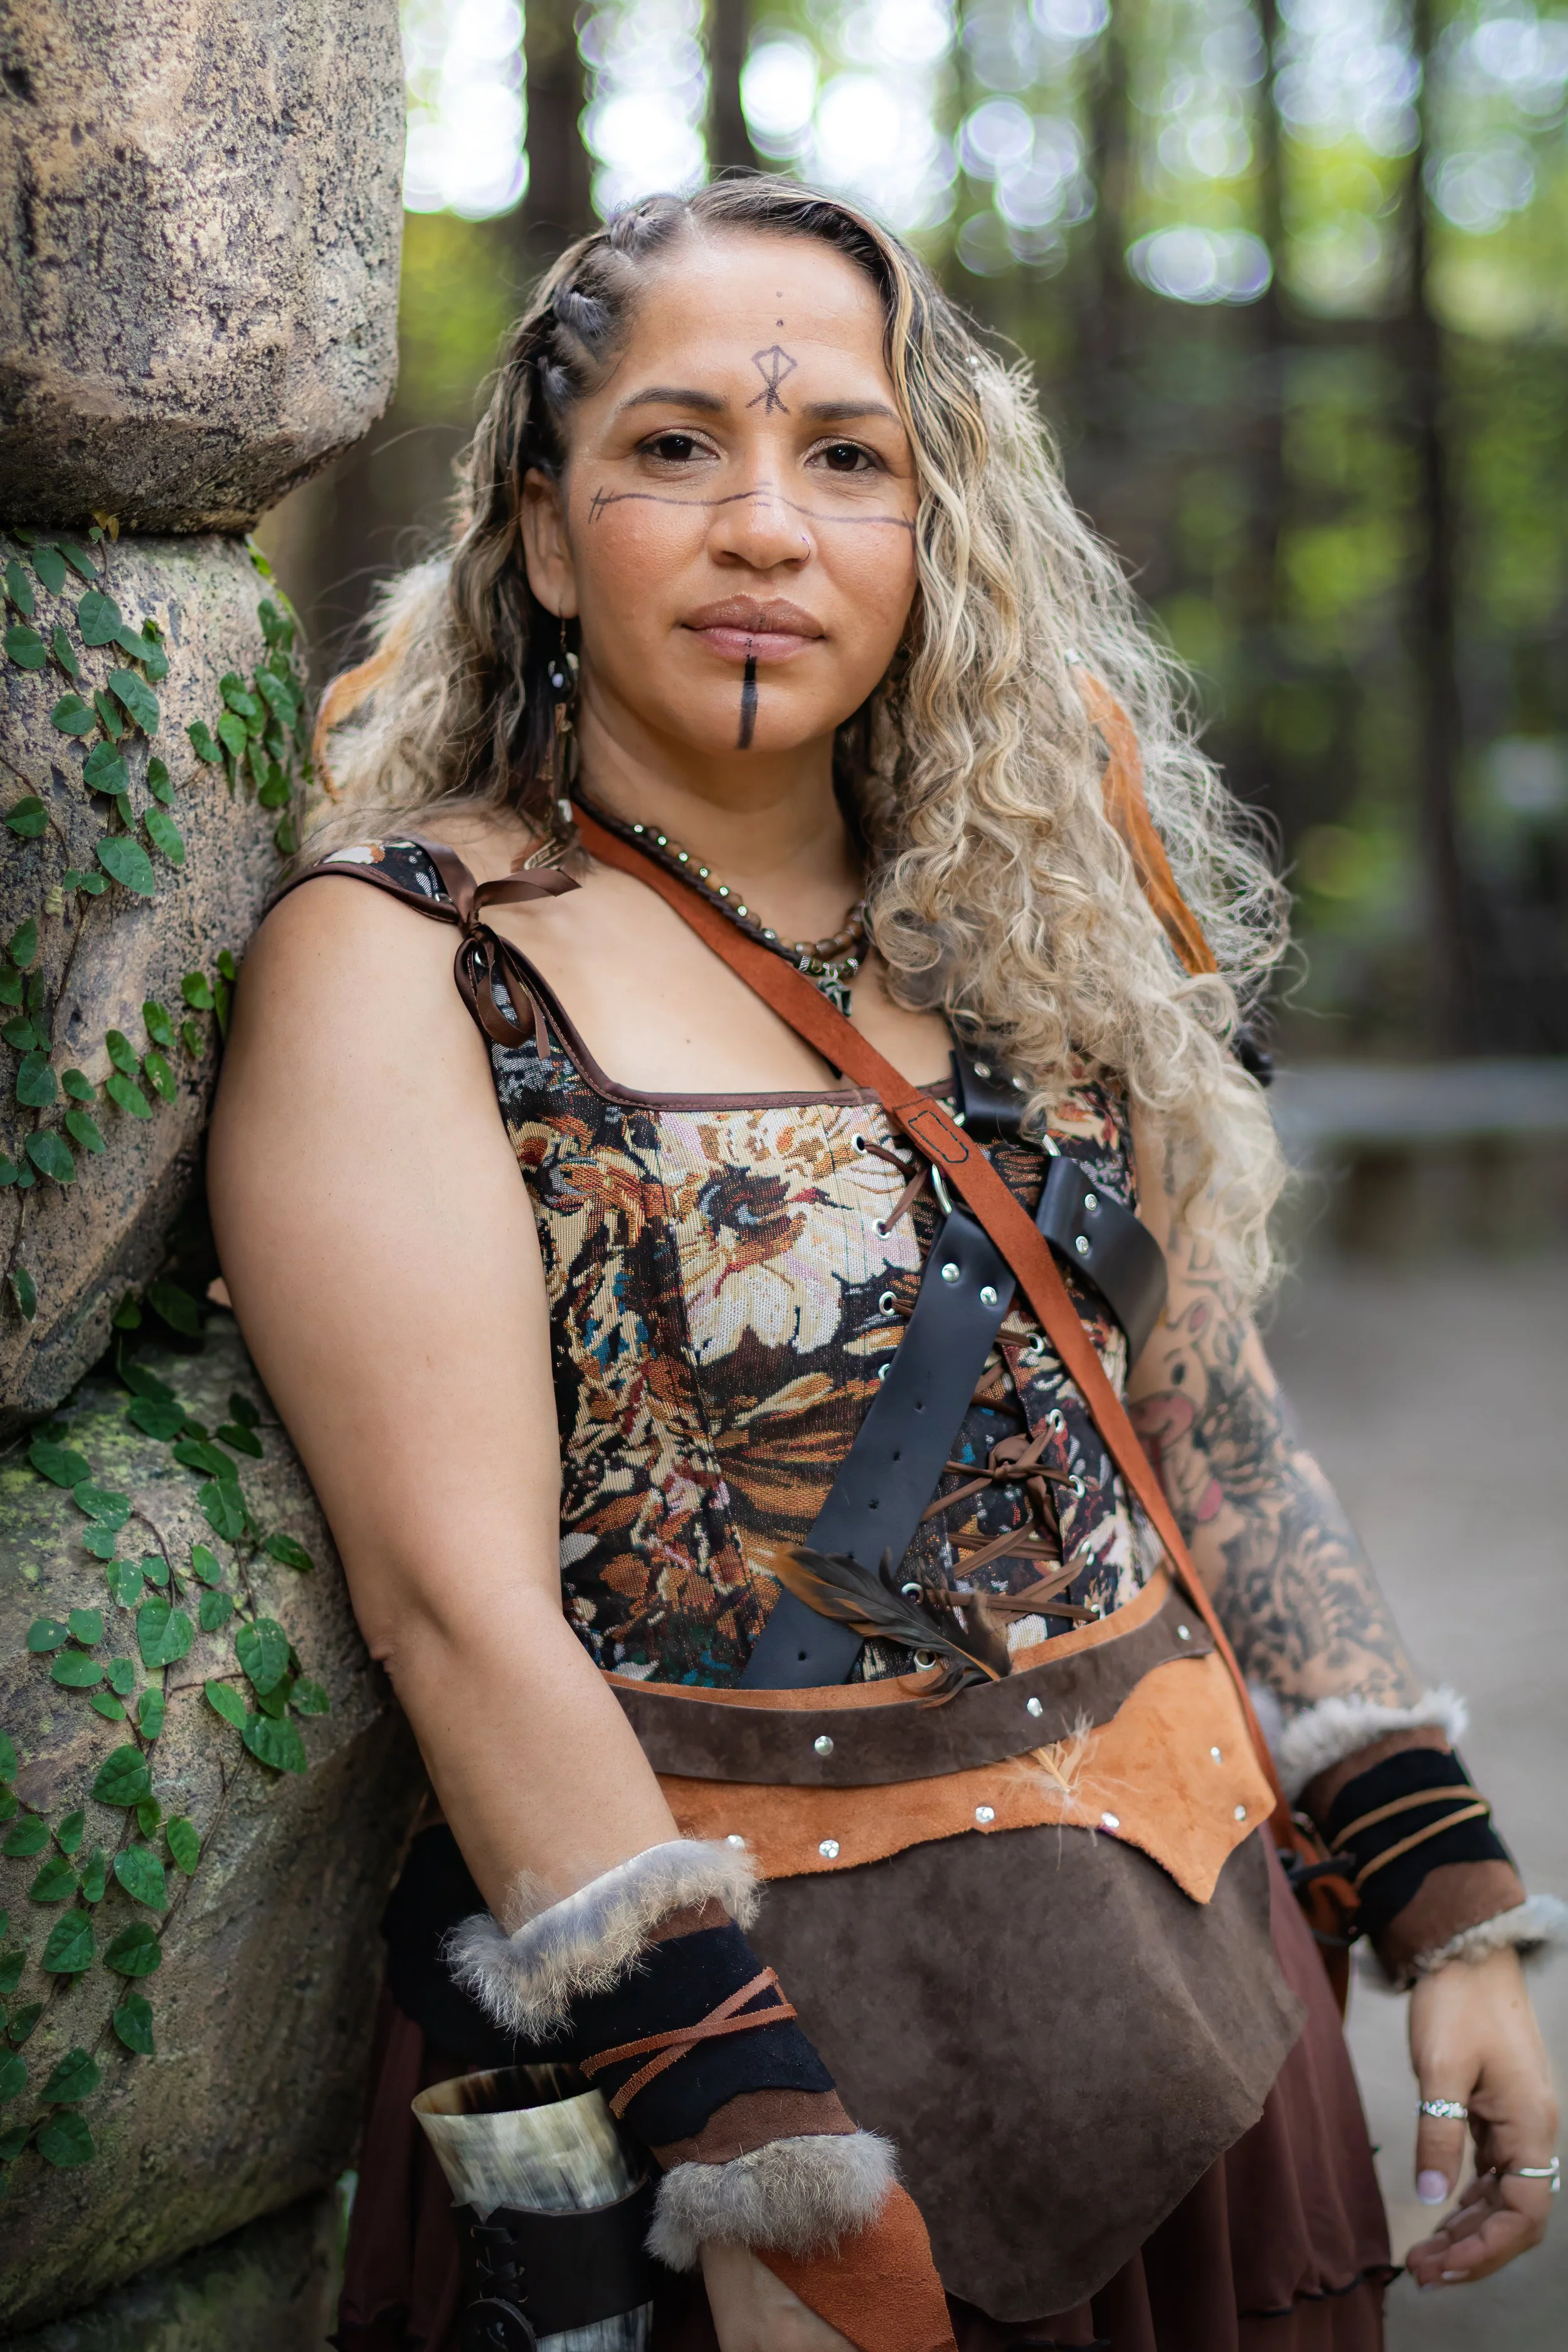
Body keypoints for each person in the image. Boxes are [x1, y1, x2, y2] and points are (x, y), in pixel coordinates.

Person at [208, 180, 1558, 2352]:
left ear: (932, 534)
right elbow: (451, 1607)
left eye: (846, 455)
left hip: (1214, 2012)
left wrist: (1445, 1897)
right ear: (545, 533)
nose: (766, 523)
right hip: (744, 2080)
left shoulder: (1020, 935)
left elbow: (1201, 1421)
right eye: (671, 447)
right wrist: (764, 2169)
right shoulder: (404, 962)